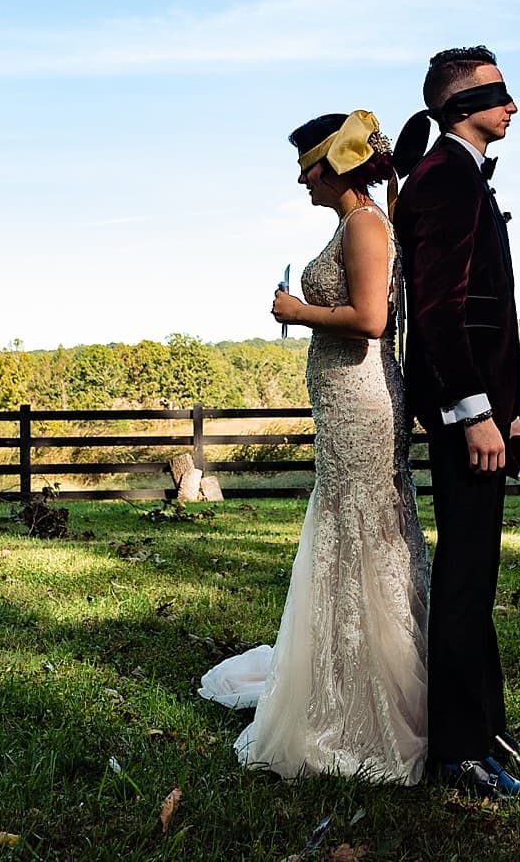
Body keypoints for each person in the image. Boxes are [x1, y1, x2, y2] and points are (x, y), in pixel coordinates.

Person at [197, 110, 429, 784]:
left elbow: (370, 319)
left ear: (334, 166)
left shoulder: (363, 225)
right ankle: (342, 675)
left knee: (363, 533)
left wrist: (298, 312)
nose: (301, 180)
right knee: (344, 530)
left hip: (363, 402)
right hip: (343, 404)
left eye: (307, 167)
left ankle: (373, 698)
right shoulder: (350, 223)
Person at [392, 47, 520, 800]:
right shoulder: (444, 178)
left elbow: (491, 313)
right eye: (500, 94)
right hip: (468, 419)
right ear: (462, 103)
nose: (514, 106)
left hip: (492, 414)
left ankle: (489, 732)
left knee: (479, 573)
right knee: (463, 581)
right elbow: (438, 310)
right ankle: (459, 753)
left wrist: (514, 407)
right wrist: (474, 414)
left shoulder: (460, 175)